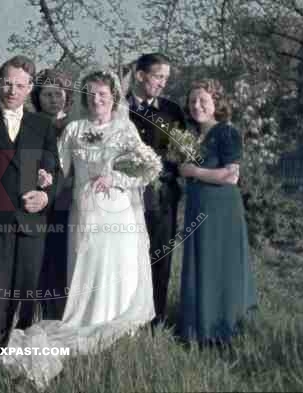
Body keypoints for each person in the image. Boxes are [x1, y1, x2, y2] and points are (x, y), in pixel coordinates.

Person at [0, 68, 162, 388]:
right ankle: (86, 319)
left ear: (114, 97)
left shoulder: (125, 129)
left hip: (116, 211)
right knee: (87, 267)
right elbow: (57, 165)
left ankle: (115, 332)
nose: (97, 100)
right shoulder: (74, 129)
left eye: (103, 95)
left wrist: (116, 178)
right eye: (91, 94)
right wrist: (45, 178)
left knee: (117, 270)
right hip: (84, 211)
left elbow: (147, 169)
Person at [0, 55, 59, 348]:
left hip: (32, 224)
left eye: (19, 85)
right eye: (7, 83)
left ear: (30, 88)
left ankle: (23, 360)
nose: (12, 90)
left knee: (27, 295)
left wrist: (45, 195)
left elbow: (56, 171)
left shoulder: (43, 125)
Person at [177, 79, 256, 345]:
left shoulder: (226, 132)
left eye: (203, 100)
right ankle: (198, 327)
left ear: (216, 104)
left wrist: (194, 171)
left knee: (220, 265)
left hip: (222, 208)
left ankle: (223, 328)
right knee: (201, 264)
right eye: (192, 101)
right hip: (198, 206)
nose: (197, 105)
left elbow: (231, 175)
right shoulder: (190, 135)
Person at [126, 53, 187, 325]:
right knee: (127, 259)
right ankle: (125, 320)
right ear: (140, 75)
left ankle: (156, 319)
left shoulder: (173, 111)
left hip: (163, 199)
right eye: (158, 76)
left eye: (166, 78)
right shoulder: (118, 108)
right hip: (125, 197)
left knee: (160, 258)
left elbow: (184, 151)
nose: (163, 83)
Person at [31, 68, 74, 319]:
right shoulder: (31, 123)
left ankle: (61, 312)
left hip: (67, 198)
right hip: (37, 199)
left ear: (66, 96)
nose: (53, 99)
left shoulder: (75, 126)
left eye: (58, 94)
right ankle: (36, 310)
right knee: (40, 257)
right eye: (47, 94)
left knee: (62, 255)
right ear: (38, 97)